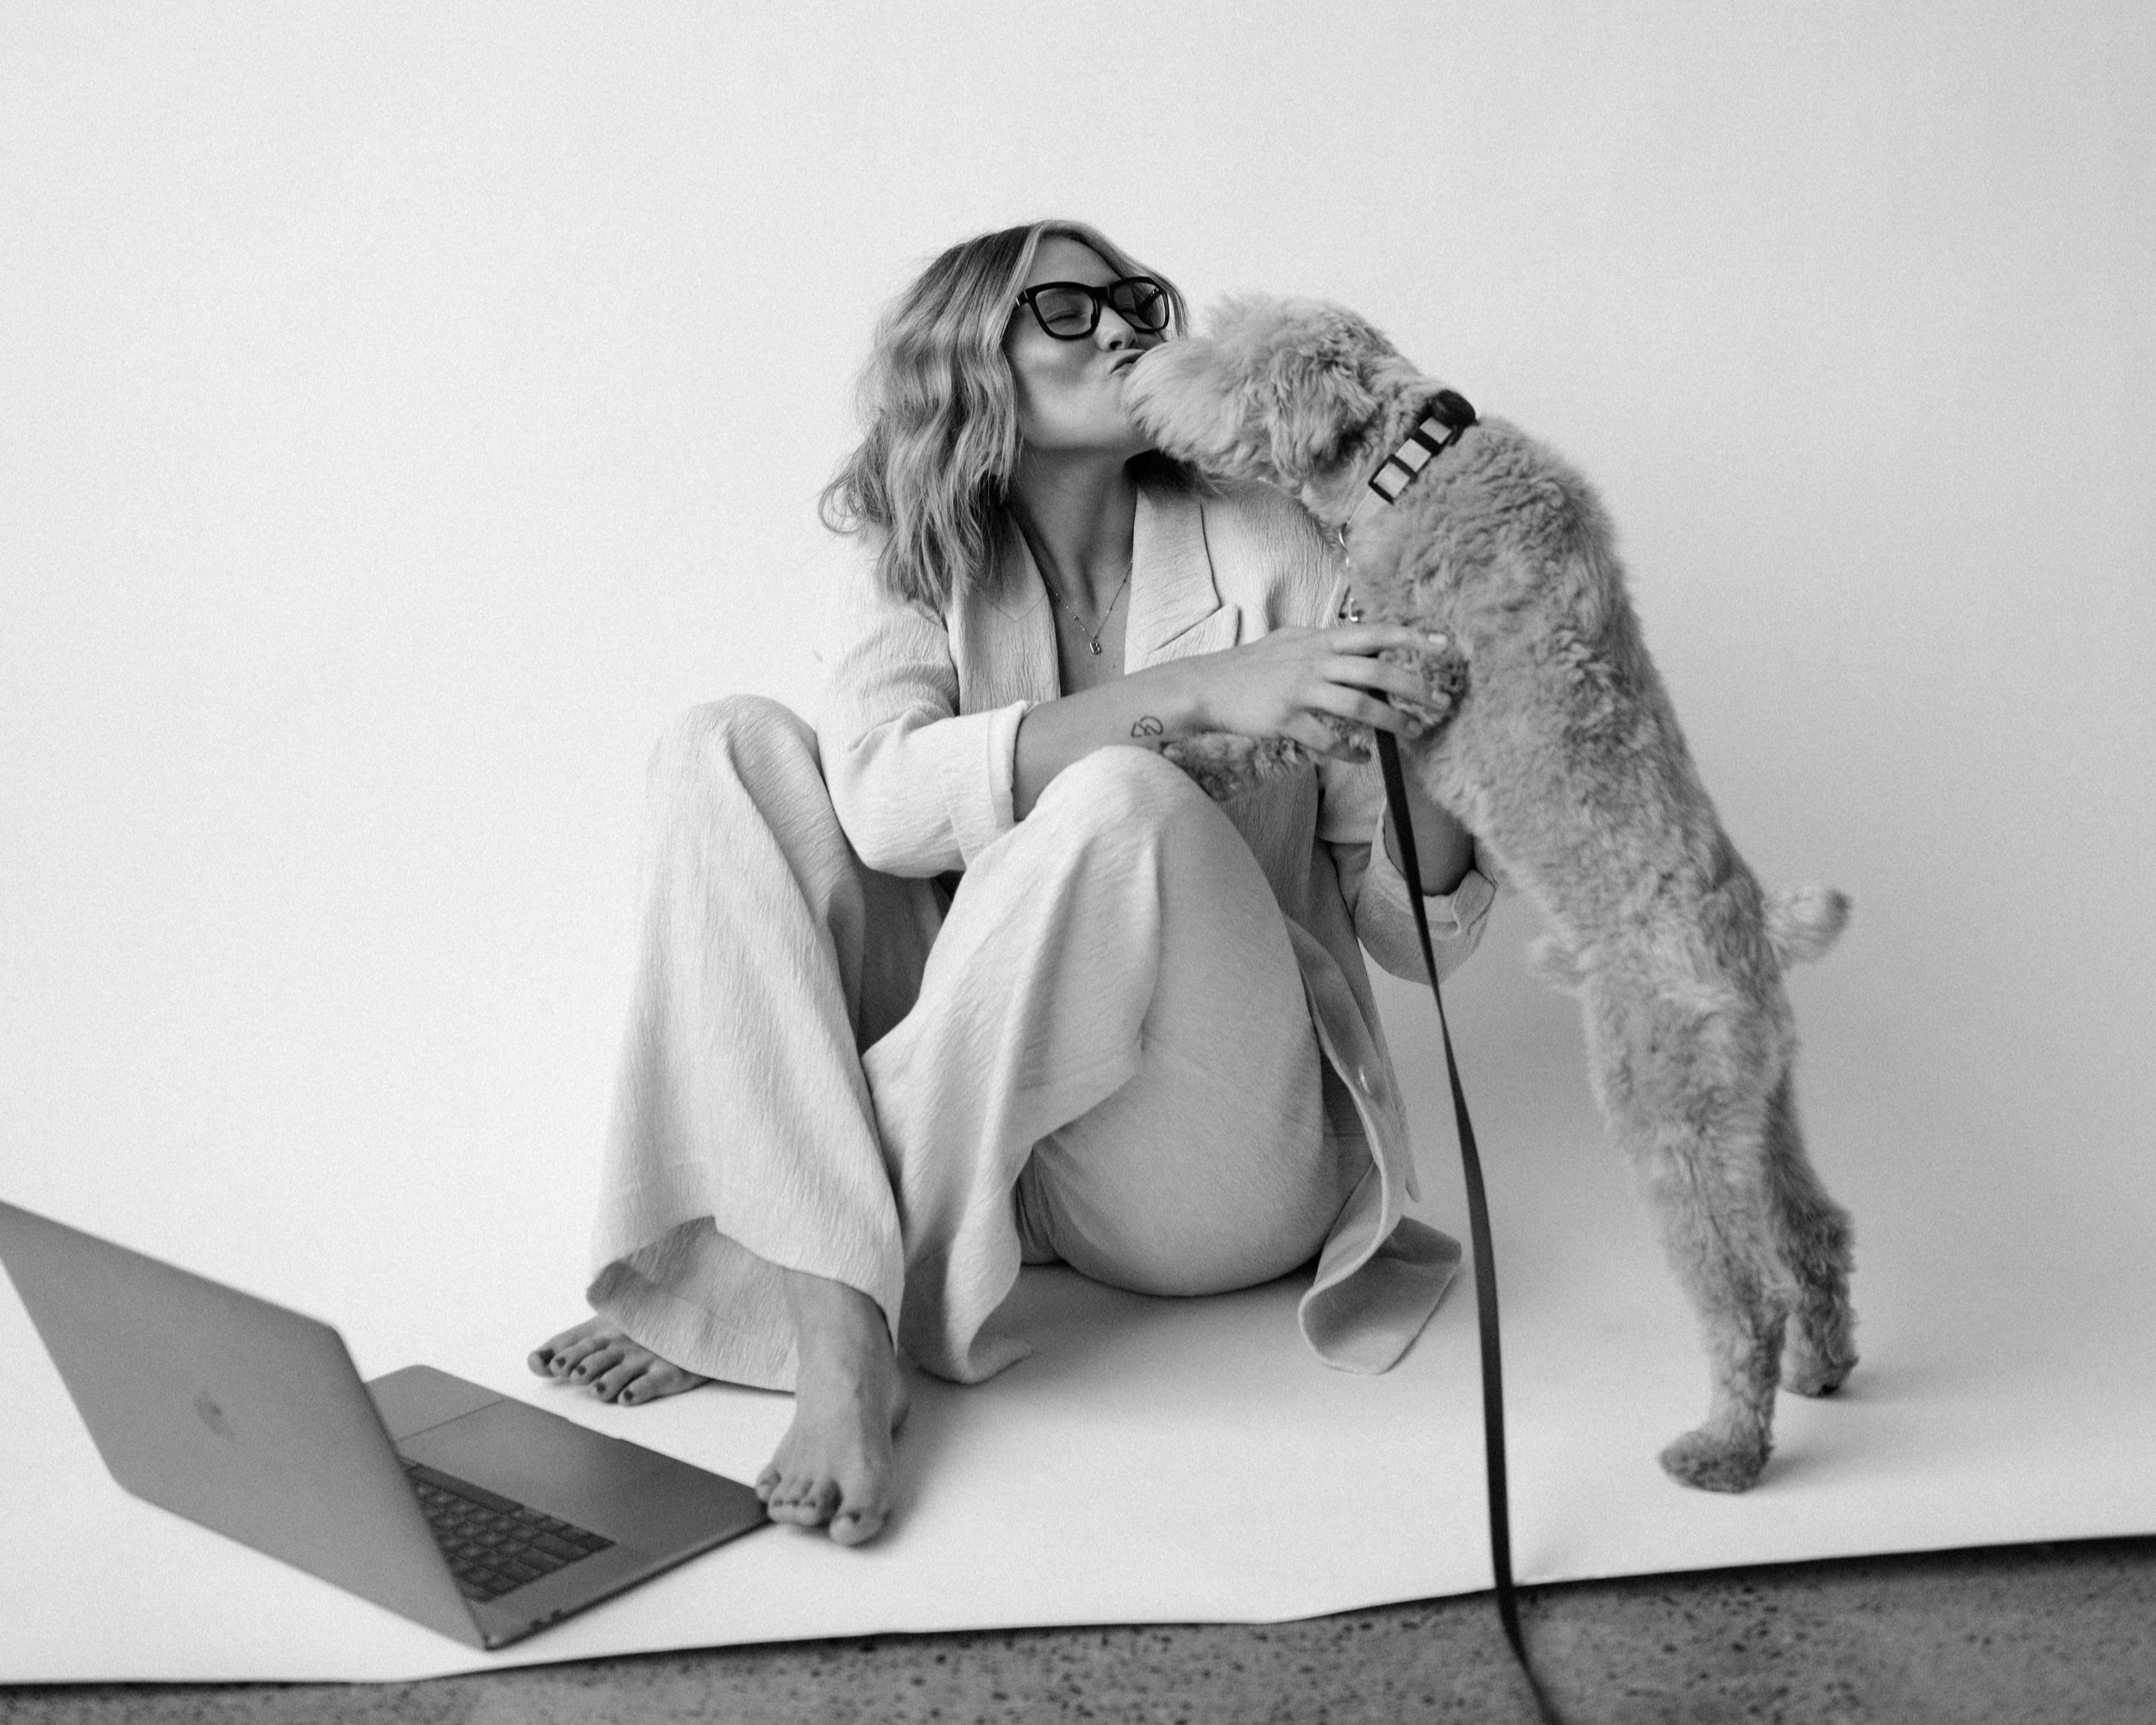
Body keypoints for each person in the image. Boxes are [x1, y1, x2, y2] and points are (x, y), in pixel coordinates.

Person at [528, 220, 1497, 1546]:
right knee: (722, 749)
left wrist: (1438, 693)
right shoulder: (911, 555)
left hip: (1201, 1163)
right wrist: (1191, 694)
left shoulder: (1282, 544)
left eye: (1139, 302)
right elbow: (878, 808)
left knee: (1120, 800)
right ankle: (845, 1306)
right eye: (1066, 307)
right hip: (1000, 1143)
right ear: (966, 359)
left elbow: (1411, 937)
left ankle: (798, 1277)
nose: (1123, 326)